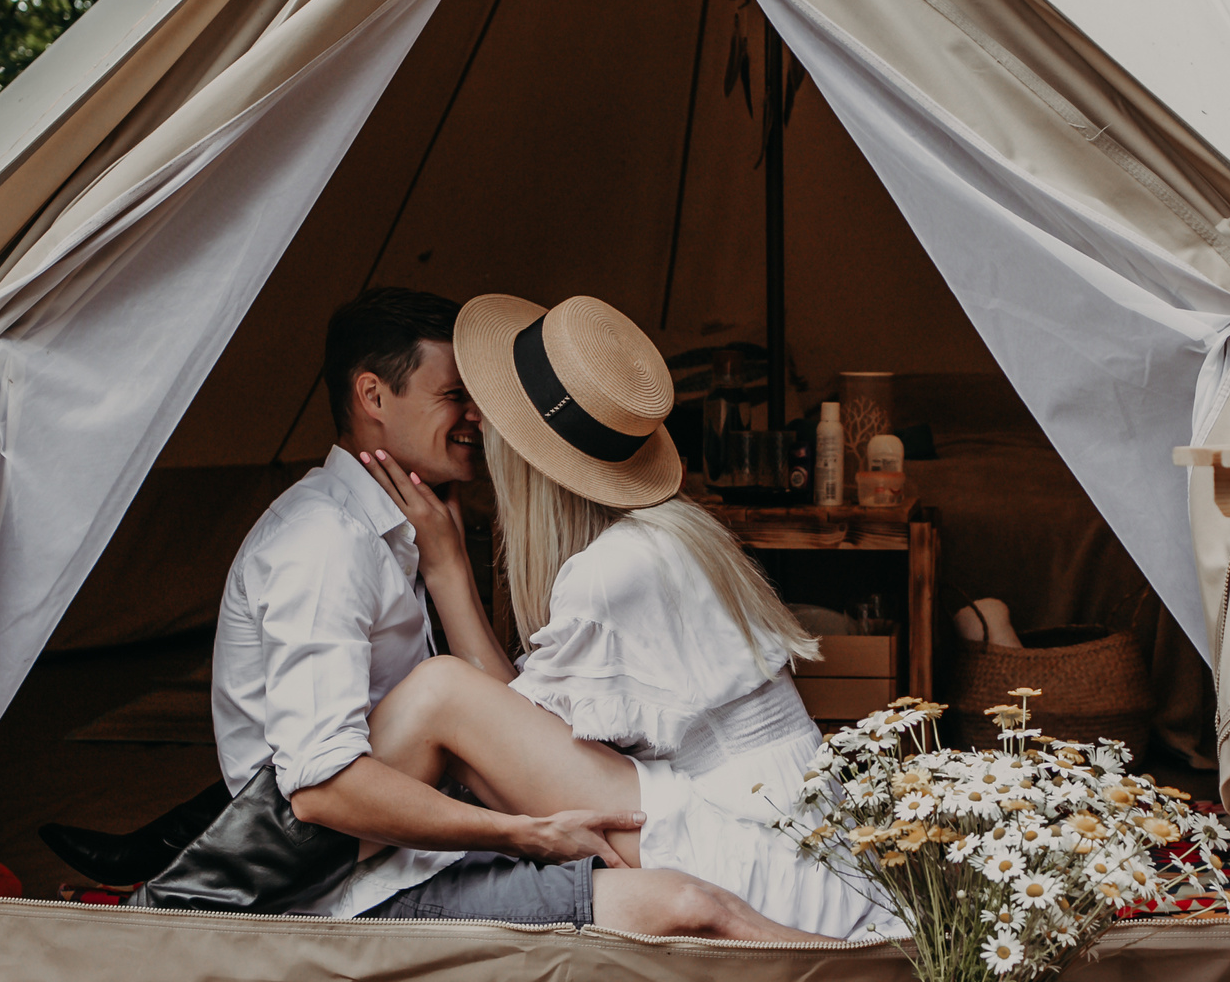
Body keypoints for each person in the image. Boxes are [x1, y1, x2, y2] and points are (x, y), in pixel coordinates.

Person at [134, 286, 811, 942]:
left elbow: (513, 723)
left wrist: (447, 568)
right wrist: (519, 835)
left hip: (432, 843)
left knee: (673, 873)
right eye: (455, 396)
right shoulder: (324, 544)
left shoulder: (406, 529)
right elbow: (322, 789)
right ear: (373, 396)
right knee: (680, 901)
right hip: (353, 886)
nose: (478, 419)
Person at [299, 293, 891, 942]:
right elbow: (518, 732)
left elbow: (500, 738)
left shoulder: (617, 569)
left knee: (438, 694)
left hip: (759, 849)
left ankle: (288, 884)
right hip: (776, 825)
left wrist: (446, 573)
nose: (474, 423)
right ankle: (313, 868)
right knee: (444, 700)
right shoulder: (665, 535)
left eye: (485, 413)